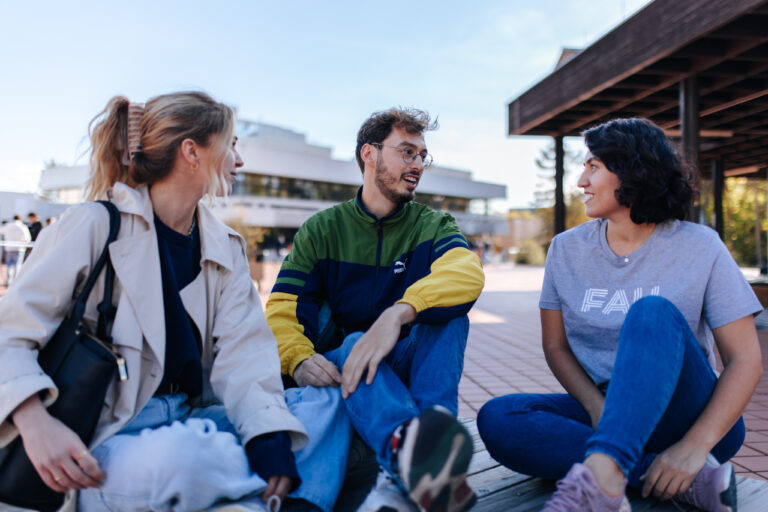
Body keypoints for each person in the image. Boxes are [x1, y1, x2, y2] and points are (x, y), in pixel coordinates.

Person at [0, 92, 311, 512]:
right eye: (232, 144)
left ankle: (248, 495)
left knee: (320, 409)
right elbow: (9, 335)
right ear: (191, 152)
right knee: (189, 456)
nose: (239, 161)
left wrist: (269, 438)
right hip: (105, 438)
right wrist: (36, 425)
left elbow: (246, 356)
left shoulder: (226, 247)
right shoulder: (95, 225)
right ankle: (272, 498)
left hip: (191, 418)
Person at [477, 117, 763, 512]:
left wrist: (695, 446)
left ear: (632, 170)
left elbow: (745, 360)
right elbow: (555, 346)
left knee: (651, 314)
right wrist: (599, 410)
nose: (581, 181)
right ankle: (684, 481)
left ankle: (604, 478)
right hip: (607, 405)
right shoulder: (565, 249)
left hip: (688, 415)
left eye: (593, 166)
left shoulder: (700, 245)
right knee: (500, 416)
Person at [265, 108, 485, 512]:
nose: (417, 165)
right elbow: (281, 308)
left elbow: (466, 273)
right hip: (338, 367)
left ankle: (420, 457)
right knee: (354, 342)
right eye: (407, 152)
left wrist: (399, 313)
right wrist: (296, 359)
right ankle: (426, 463)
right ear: (369, 153)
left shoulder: (433, 225)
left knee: (450, 315)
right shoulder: (323, 229)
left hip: (399, 361)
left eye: (422, 156)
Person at [0, 214, 31, 286]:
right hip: (19, 248)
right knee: (17, 265)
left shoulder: (8, 225)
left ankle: (8, 281)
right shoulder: (22, 226)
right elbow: (27, 238)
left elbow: (1, 231)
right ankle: (15, 281)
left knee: (8, 265)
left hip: (9, 248)